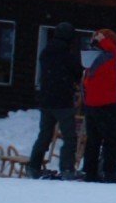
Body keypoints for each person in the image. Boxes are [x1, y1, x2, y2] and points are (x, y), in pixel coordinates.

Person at [30, 22, 80, 179]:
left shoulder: (46, 52)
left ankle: (34, 167)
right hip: (62, 101)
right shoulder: (66, 54)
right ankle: (67, 169)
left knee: (44, 134)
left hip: (46, 99)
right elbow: (78, 73)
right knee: (70, 136)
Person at [80, 28, 116, 182]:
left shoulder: (91, 59)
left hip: (91, 105)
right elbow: (113, 52)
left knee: (93, 140)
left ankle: (90, 172)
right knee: (111, 140)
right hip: (105, 104)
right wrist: (102, 38)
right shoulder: (107, 57)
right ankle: (110, 173)